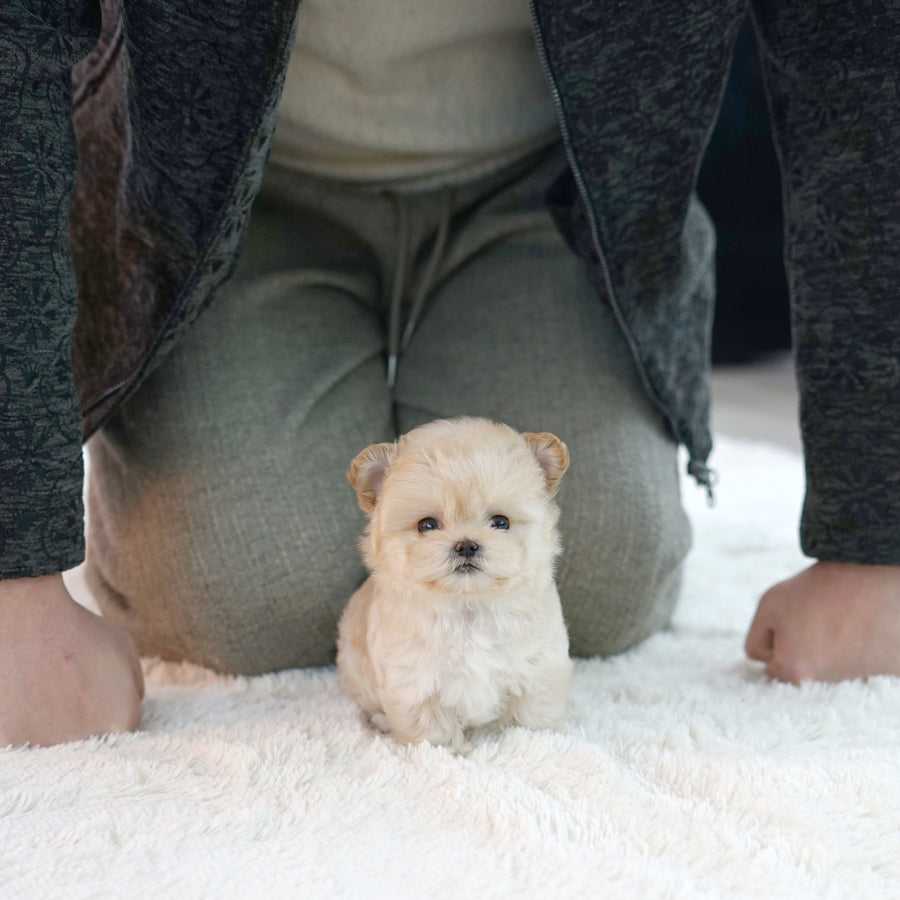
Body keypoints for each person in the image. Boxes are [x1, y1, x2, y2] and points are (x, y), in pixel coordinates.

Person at [1, 0, 897, 748]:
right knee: (237, 592)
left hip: (552, 190)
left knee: (603, 569)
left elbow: (859, 57)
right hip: (225, 191)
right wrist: (15, 573)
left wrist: (876, 540)